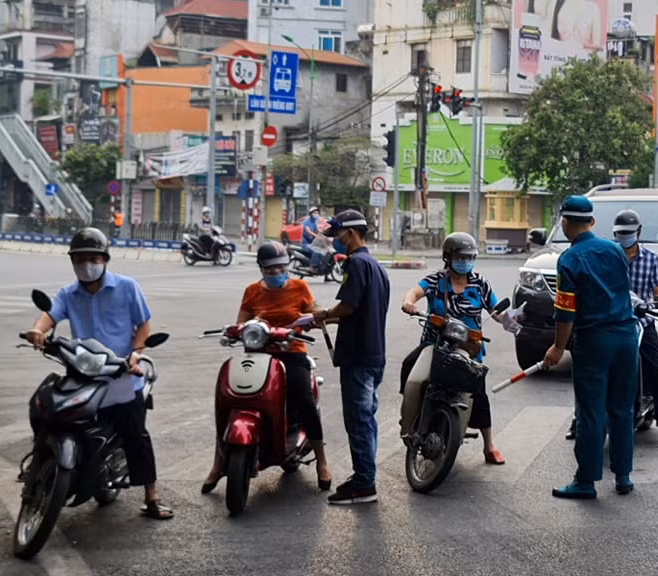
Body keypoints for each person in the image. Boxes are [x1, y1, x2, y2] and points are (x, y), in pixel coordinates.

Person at [23, 228, 174, 519]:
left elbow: (143, 325)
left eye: (92, 258)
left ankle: (151, 497)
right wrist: (37, 331)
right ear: (72, 262)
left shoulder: (127, 287)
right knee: (45, 408)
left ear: (104, 259)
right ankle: (38, 462)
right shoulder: (69, 293)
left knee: (136, 435)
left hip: (120, 373)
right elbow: (49, 314)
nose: (86, 264)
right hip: (82, 372)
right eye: (80, 259)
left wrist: (136, 353)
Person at [201, 241, 332, 495]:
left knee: (304, 400)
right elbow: (240, 323)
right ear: (261, 269)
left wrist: (312, 319)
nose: (277, 273)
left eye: (281, 268)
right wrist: (241, 327)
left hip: (291, 353)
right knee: (228, 401)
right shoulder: (251, 291)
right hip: (258, 354)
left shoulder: (299, 287)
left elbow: (313, 311)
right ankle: (218, 464)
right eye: (271, 270)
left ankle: (322, 461)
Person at [544, 195, 639, 499]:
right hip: (626, 337)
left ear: (564, 222)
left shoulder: (569, 259)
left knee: (590, 411)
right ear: (593, 222)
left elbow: (566, 311)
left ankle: (586, 481)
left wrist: (558, 347)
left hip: (594, 341)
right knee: (622, 408)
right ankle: (623, 476)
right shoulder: (615, 250)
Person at [400, 232, 507, 465]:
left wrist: (509, 319)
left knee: (479, 393)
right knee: (411, 371)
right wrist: (409, 302)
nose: (465, 261)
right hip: (434, 345)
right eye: (460, 257)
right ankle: (408, 422)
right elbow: (415, 291)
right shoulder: (435, 280)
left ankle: (489, 445)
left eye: (469, 257)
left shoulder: (480, 284)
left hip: (469, 349)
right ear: (448, 257)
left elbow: (496, 310)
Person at [313, 210, 389, 505]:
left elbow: (348, 306)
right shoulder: (376, 266)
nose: (336, 242)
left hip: (358, 356)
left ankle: (363, 484)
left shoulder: (355, 263)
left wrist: (325, 315)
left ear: (351, 233)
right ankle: (364, 476)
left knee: (358, 421)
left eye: (339, 236)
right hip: (374, 354)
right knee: (366, 420)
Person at [611, 209, 658, 448]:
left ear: (638, 232)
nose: (625, 237)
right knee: (590, 366)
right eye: (620, 233)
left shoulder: (652, 259)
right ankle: (579, 419)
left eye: (629, 233)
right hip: (612, 321)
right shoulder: (608, 256)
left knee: (657, 370)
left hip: (642, 321)